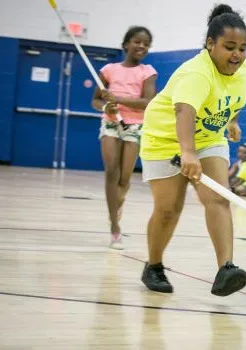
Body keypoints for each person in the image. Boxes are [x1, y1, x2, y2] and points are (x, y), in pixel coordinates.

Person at [139, 4, 246, 296]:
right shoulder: (196, 74)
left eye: (242, 48)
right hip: (165, 139)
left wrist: (233, 121)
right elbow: (184, 113)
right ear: (210, 44)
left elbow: (232, 96)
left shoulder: (242, 68)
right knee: (168, 209)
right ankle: (153, 265)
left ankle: (226, 269)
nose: (237, 55)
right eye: (229, 47)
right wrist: (187, 153)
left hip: (209, 137)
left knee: (218, 199)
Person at [92, 26, 157, 250]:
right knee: (112, 171)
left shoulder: (147, 71)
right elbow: (95, 101)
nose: (141, 46)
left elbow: (148, 102)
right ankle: (114, 227)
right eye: (137, 41)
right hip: (111, 123)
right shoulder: (108, 70)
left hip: (134, 126)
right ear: (126, 44)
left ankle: (116, 207)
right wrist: (106, 106)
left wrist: (118, 98)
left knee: (124, 178)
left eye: (146, 44)